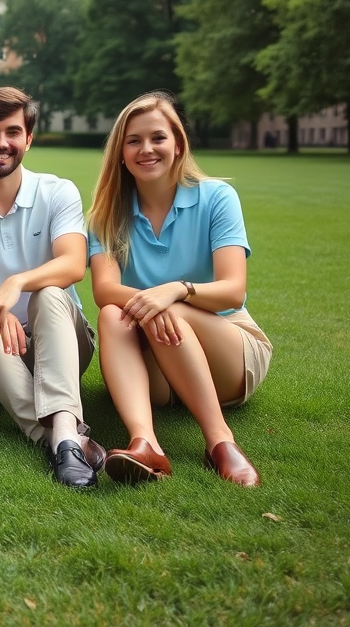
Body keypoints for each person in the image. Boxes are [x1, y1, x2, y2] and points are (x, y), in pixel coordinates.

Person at [87, 91, 271, 487]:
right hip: (159, 360)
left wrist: (177, 290)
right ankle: (146, 442)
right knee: (111, 315)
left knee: (167, 309)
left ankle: (221, 442)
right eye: (133, 141)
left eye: (157, 138)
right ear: (120, 152)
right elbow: (104, 291)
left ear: (178, 144)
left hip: (230, 350)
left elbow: (233, 291)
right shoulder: (106, 214)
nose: (146, 149)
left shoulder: (217, 197)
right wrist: (154, 302)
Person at [0, 87, 104, 489]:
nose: (1, 143)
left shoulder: (57, 191)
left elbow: (72, 265)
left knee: (50, 293)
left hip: (62, 342)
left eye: (13, 132)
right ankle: (66, 440)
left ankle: (58, 435)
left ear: (28, 139)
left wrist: (16, 284)